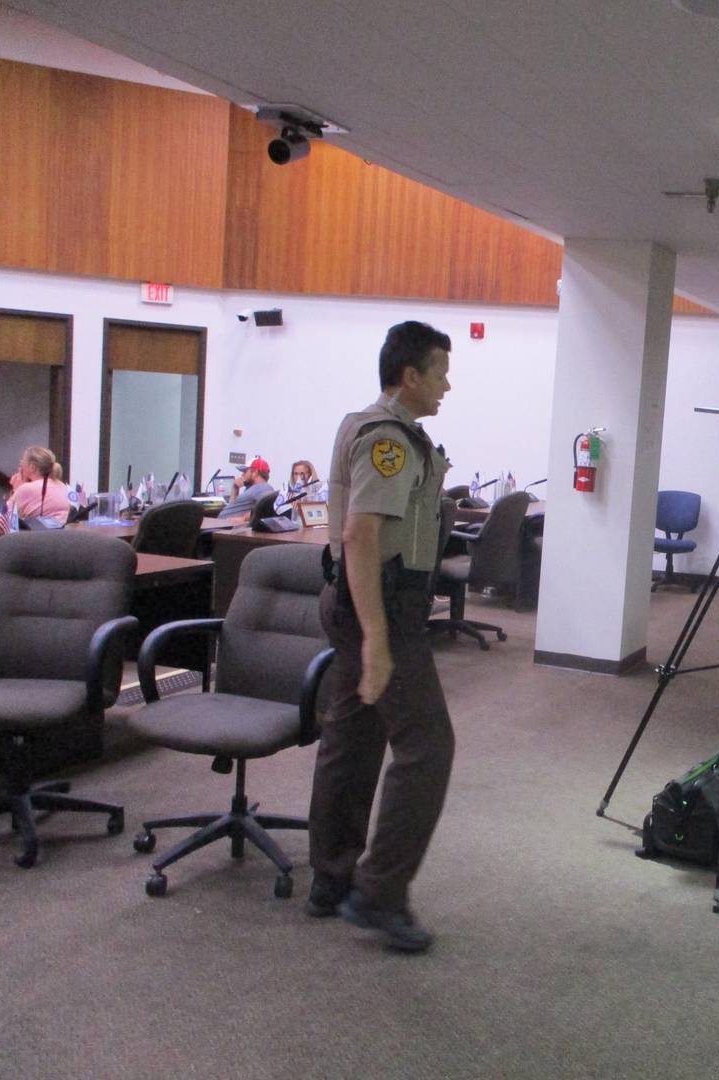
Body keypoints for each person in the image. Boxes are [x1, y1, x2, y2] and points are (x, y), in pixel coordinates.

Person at [306, 320, 455, 954]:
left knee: (355, 735)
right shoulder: (387, 439)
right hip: (381, 606)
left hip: (364, 601)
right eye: (441, 372)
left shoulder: (372, 426)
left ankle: (332, 880)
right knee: (427, 745)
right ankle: (378, 891)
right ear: (410, 375)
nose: (448, 385)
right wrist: (377, 638)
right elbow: (361, 536)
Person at [0, 446, 72, 530]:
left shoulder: (27, 489)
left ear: (32, 467)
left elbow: (3, 519)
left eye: (23, 461)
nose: (21, 464)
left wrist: (16, 490)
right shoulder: (62, 486)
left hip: (35, 539)